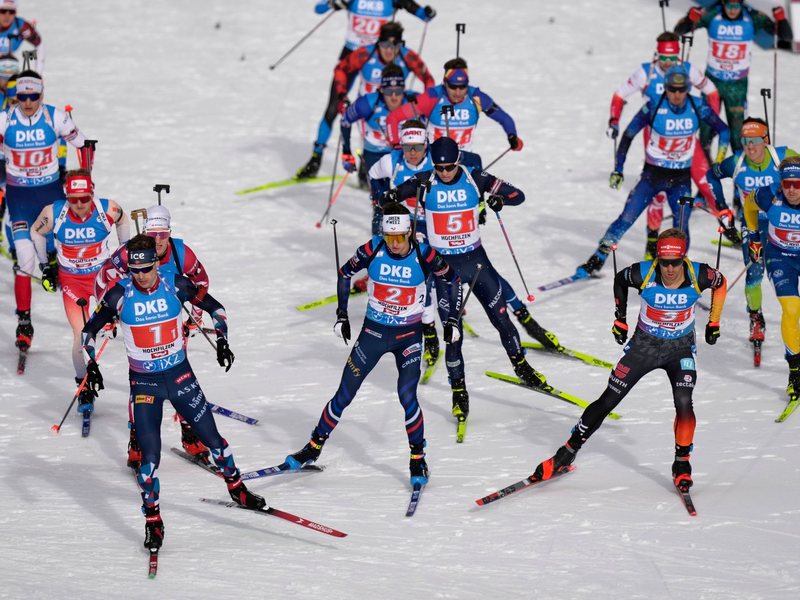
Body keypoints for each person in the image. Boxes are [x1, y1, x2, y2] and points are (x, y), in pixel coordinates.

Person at [80, 234, 265, 550]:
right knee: (149, 459)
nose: (141, 276)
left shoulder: (173, 283)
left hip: (180, 376)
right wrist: (91, 365)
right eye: (135, 270)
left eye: (146, 268)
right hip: (145, 385)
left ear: (156, 262)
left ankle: (237, 489)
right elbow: (89, 331)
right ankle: (153, 521)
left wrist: (222, 341)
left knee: (215, 442)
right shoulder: (118, 295)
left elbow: (216, 309)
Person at [283, 202, 462, 488]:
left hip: (408, 338)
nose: (394, 244)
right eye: (389, 237)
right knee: (344, 395)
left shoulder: (424, 254)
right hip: (373, 334)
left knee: (407, 398)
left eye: (400, 237)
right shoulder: (373, 248)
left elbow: (453, 280)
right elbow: (344, 273)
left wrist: (451, 320)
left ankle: (418, 458)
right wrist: (342, 314)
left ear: (410, 233)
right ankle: (313, 448)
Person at [533, 229, 727, 492]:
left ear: (684, 258)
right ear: (657, 257)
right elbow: (619, 280)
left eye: (675, 262)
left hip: (680, 348)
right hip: (643, 346)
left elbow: (721, 282)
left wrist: (714, 321)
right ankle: (566, 453)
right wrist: (619, 319)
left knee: (684, 402)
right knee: (608, 400)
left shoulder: (699, 274)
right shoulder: (643, 272)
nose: (670, 269)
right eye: (664, 262)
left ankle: (682, 464)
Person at [387, 137, 549, 420]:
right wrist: (388, 199)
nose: (445, 172)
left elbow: (518, 195)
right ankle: (459, 392)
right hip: (444, 268)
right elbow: (392, 197)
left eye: (449, 166)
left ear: (458, 160)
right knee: (453, 335)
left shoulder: (475, 178)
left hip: (476, 262)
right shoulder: (425, 181)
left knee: (501, 319)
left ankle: (521, 366)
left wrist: (499, 199)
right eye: (439, 167)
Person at [370, 121, 558, 364]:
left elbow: (482, 169)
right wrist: (387, 202)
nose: (413, 153)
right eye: (408, 147)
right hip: (418, 227)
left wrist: (489, 200)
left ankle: (527, 320)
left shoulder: (443, 165)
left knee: (492, 282)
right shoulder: (399, 165)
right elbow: (381, 187)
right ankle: (430, 335)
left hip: (454, 237)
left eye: (418, 147)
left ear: (426, 147)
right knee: (420, 281)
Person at [577, 65, 729, 277]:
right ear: (665, 88)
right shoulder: (653, 106)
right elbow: (629, 135)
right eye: (672, 89)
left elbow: (724, 129)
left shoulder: (698, 106)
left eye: (682, 89)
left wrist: (719, 161)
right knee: (627, 217)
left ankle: (678, 270)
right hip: (652, 176)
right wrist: (618, 169)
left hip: (680, 179)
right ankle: (597, 259)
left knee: (681, 227)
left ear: (688, 88)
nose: (677, 94)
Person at [94, 205, 213, 467]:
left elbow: (201, 283)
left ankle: (189, 432)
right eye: (152, 233)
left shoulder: (182, 252)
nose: (157, 240)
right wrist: (108, 313)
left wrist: (196, 317)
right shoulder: (130, 253)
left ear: (169, 232)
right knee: (142, 380)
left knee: (181, 378)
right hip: (138, 326)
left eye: (162, 234)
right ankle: (137, 437)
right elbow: (102, 278)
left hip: (169, 324)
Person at [607, 31, 722, 259]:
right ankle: (652, 241)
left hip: (684, 136)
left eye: (673, 58)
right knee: (656, 194)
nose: (669, 63)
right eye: (664, 58)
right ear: (657, 54)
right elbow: (619, 95)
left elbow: (712, 92)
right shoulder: (645, 72)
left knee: (706, 179)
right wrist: (614, 120)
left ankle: (728, 227)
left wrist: (708, 123)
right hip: (655, 137)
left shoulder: (687, 70)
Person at [0, 70, 90, 352]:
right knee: (25, 260)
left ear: (41, 94)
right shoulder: (5, 119)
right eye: (22, 97)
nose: (28, 102)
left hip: (51, 195)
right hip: (20, 199)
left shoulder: (56, 117)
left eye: (33, 96)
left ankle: (98, 311)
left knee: (73, 253)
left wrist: (85, 179)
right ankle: (24, 322)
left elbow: (84, 144)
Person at [298, 2, 436, 180]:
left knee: (389, 129)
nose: (390, 51)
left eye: (394, 47)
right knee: (335, 109)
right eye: (386, 46)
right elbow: (319, 9)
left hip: (389, 98)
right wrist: (342, 95)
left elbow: (423, 16)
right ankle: (316, 158)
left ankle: (377, 168)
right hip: (358, 57)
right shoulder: (367, 52)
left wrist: (426, 102)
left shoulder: (405, 54)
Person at [29, 169, 129, 411]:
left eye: (85, 198)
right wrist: (45, 266)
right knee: (80, 336)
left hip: (103, 277)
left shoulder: (108, 209)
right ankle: (84, 385)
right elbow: (35, 231)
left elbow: (123, 219)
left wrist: (124, 253)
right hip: (72, 282)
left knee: (132, 323)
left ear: (92, 194)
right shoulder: (54, 213)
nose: (80, 204)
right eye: (74, 199)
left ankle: (149, 378)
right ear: (67, 196)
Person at [707, 118, 798, 347]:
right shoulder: (736, 163)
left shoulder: (782, 156)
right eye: (745, 140)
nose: (750, 146)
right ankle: (755, 317)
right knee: (754, 270)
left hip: (787, 222)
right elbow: (711, 176)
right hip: (754, 223)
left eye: (755, 140)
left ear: (765, 140)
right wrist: (722, 207)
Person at [675, 0, 792, 157]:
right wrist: (689, 18)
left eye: (736, 6)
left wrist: (781, 20)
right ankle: (705, 172)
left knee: (737, 134)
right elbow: (679, 31)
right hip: (712, 83)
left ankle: (738, 172)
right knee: (705, 131)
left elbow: (785, 36)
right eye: (729, 5)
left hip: (737, 85)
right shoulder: (712, 15)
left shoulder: (753, 17)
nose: (732, 10)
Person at [743, 157, 800, 397]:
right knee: (792, 309)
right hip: (780, 257)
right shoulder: (769, 195)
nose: (791, 189)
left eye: (797, 184)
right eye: (787, 183)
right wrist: (754, 236)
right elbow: (748, 204)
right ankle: (795, 372)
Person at [340, 63, 421, 232]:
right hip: (375, 153)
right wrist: (346, 152)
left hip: (403, 154)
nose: (393, 96)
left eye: (398, 91)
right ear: (381, 90)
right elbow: (345, 121)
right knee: (382, 200)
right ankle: (380, 240)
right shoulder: (367, 103)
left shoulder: (414, 101)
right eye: (388, 91)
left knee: (410, 196)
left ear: (404, 90)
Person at [386, 57, 523, 153]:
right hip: (435, 163)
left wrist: (512, 136)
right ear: (445, 83)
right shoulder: (431, 97)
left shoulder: (477, 97)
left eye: (462, 86)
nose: (458, 92)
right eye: (453, 87)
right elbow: (393, 117)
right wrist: (396, 145)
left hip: (465, 160)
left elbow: (504, 118)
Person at [0, 1, 45, 73]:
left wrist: (38, 74)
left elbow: (39, 44)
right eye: (3, 11)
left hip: (9, 68)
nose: (7, 15)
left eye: (11, 12)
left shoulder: (23, 27)